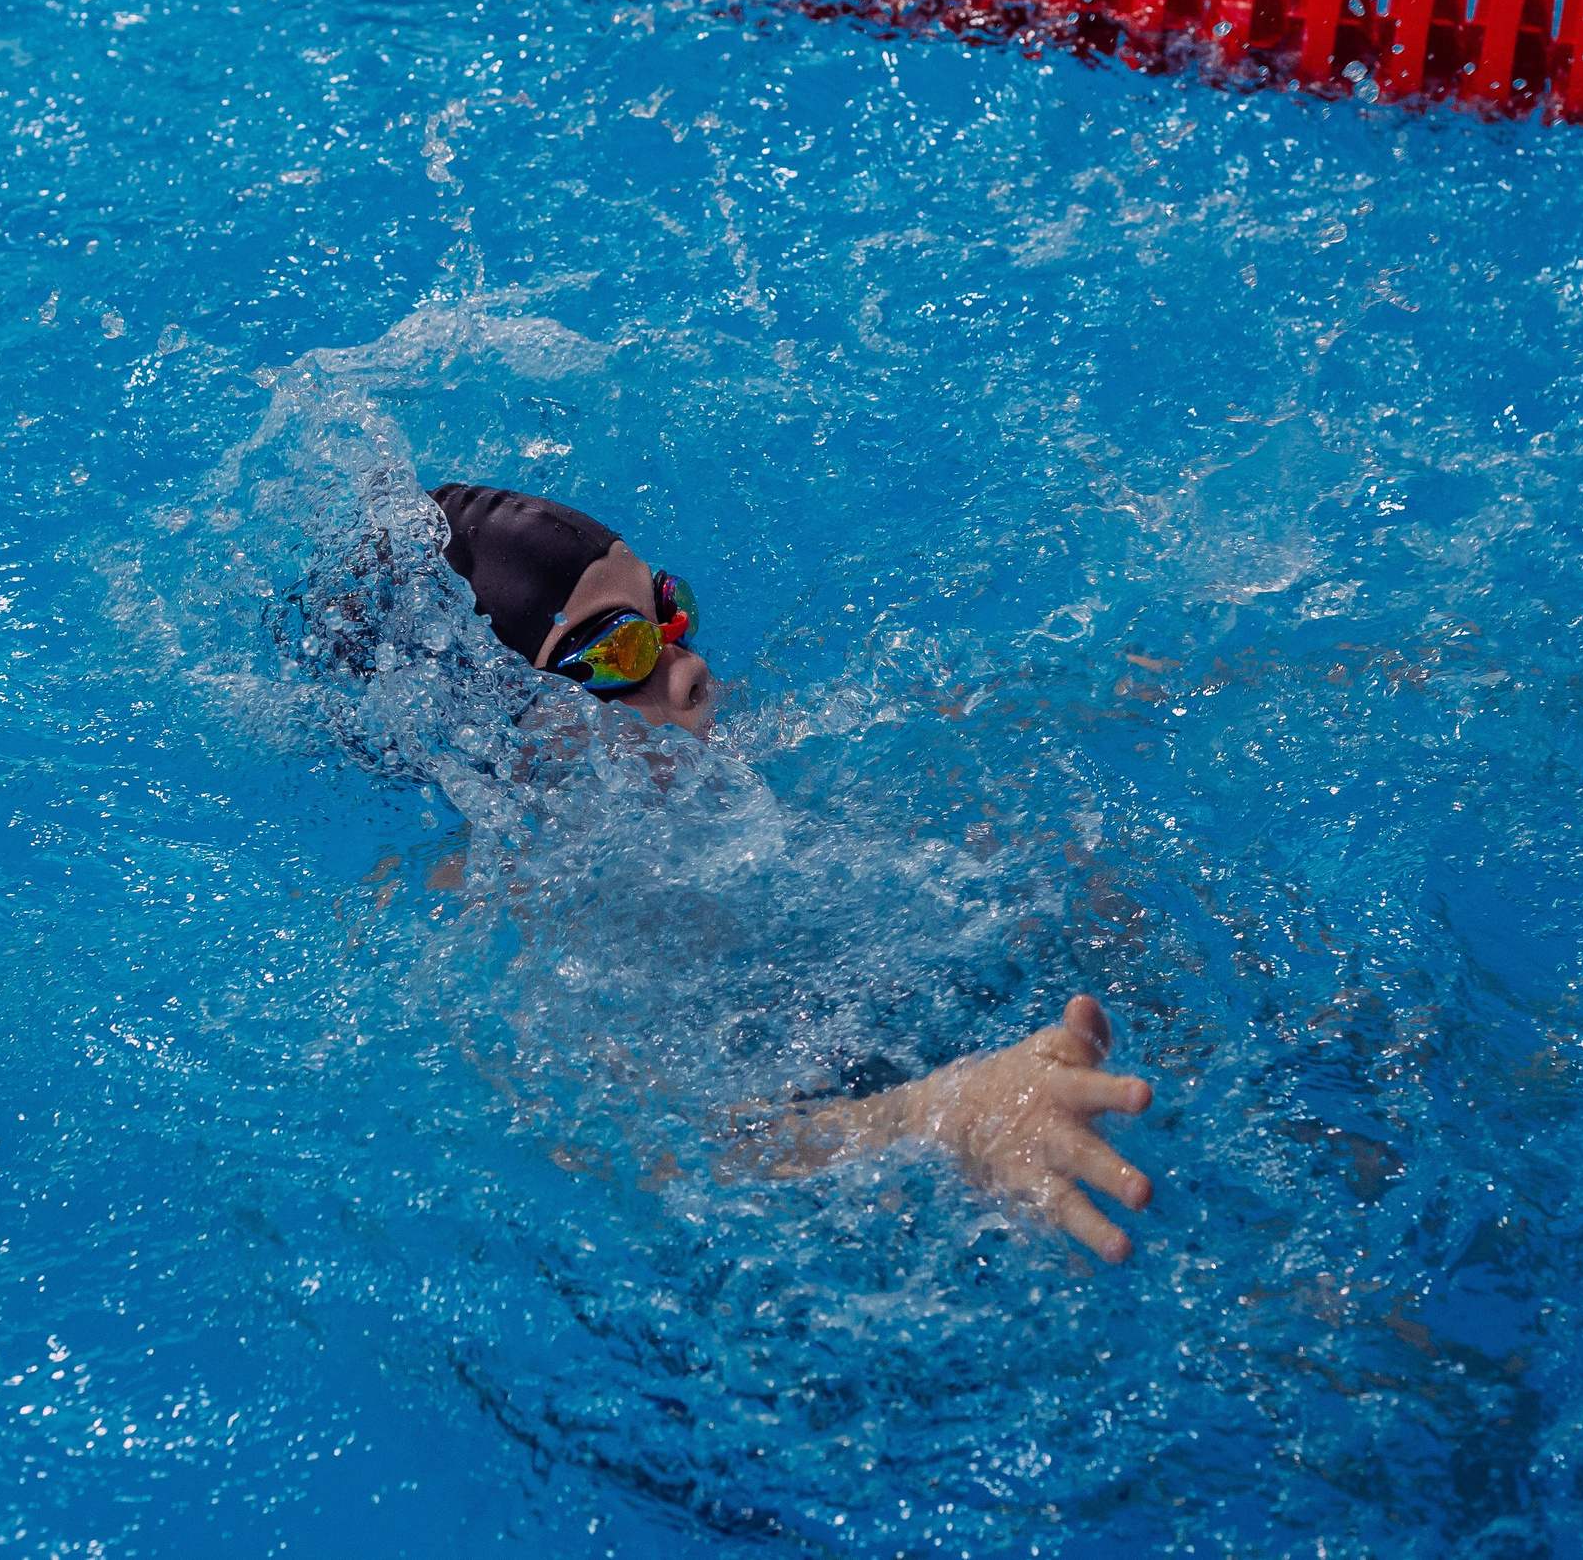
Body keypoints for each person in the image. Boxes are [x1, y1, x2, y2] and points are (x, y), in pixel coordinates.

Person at [412, 481, 1160, 1263]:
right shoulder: (502, 932)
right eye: (619, 649)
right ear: (504, 731)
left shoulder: (765, 770)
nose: (690, 667)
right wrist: (947, 1116)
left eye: (669, 616)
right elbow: (677, 1157)